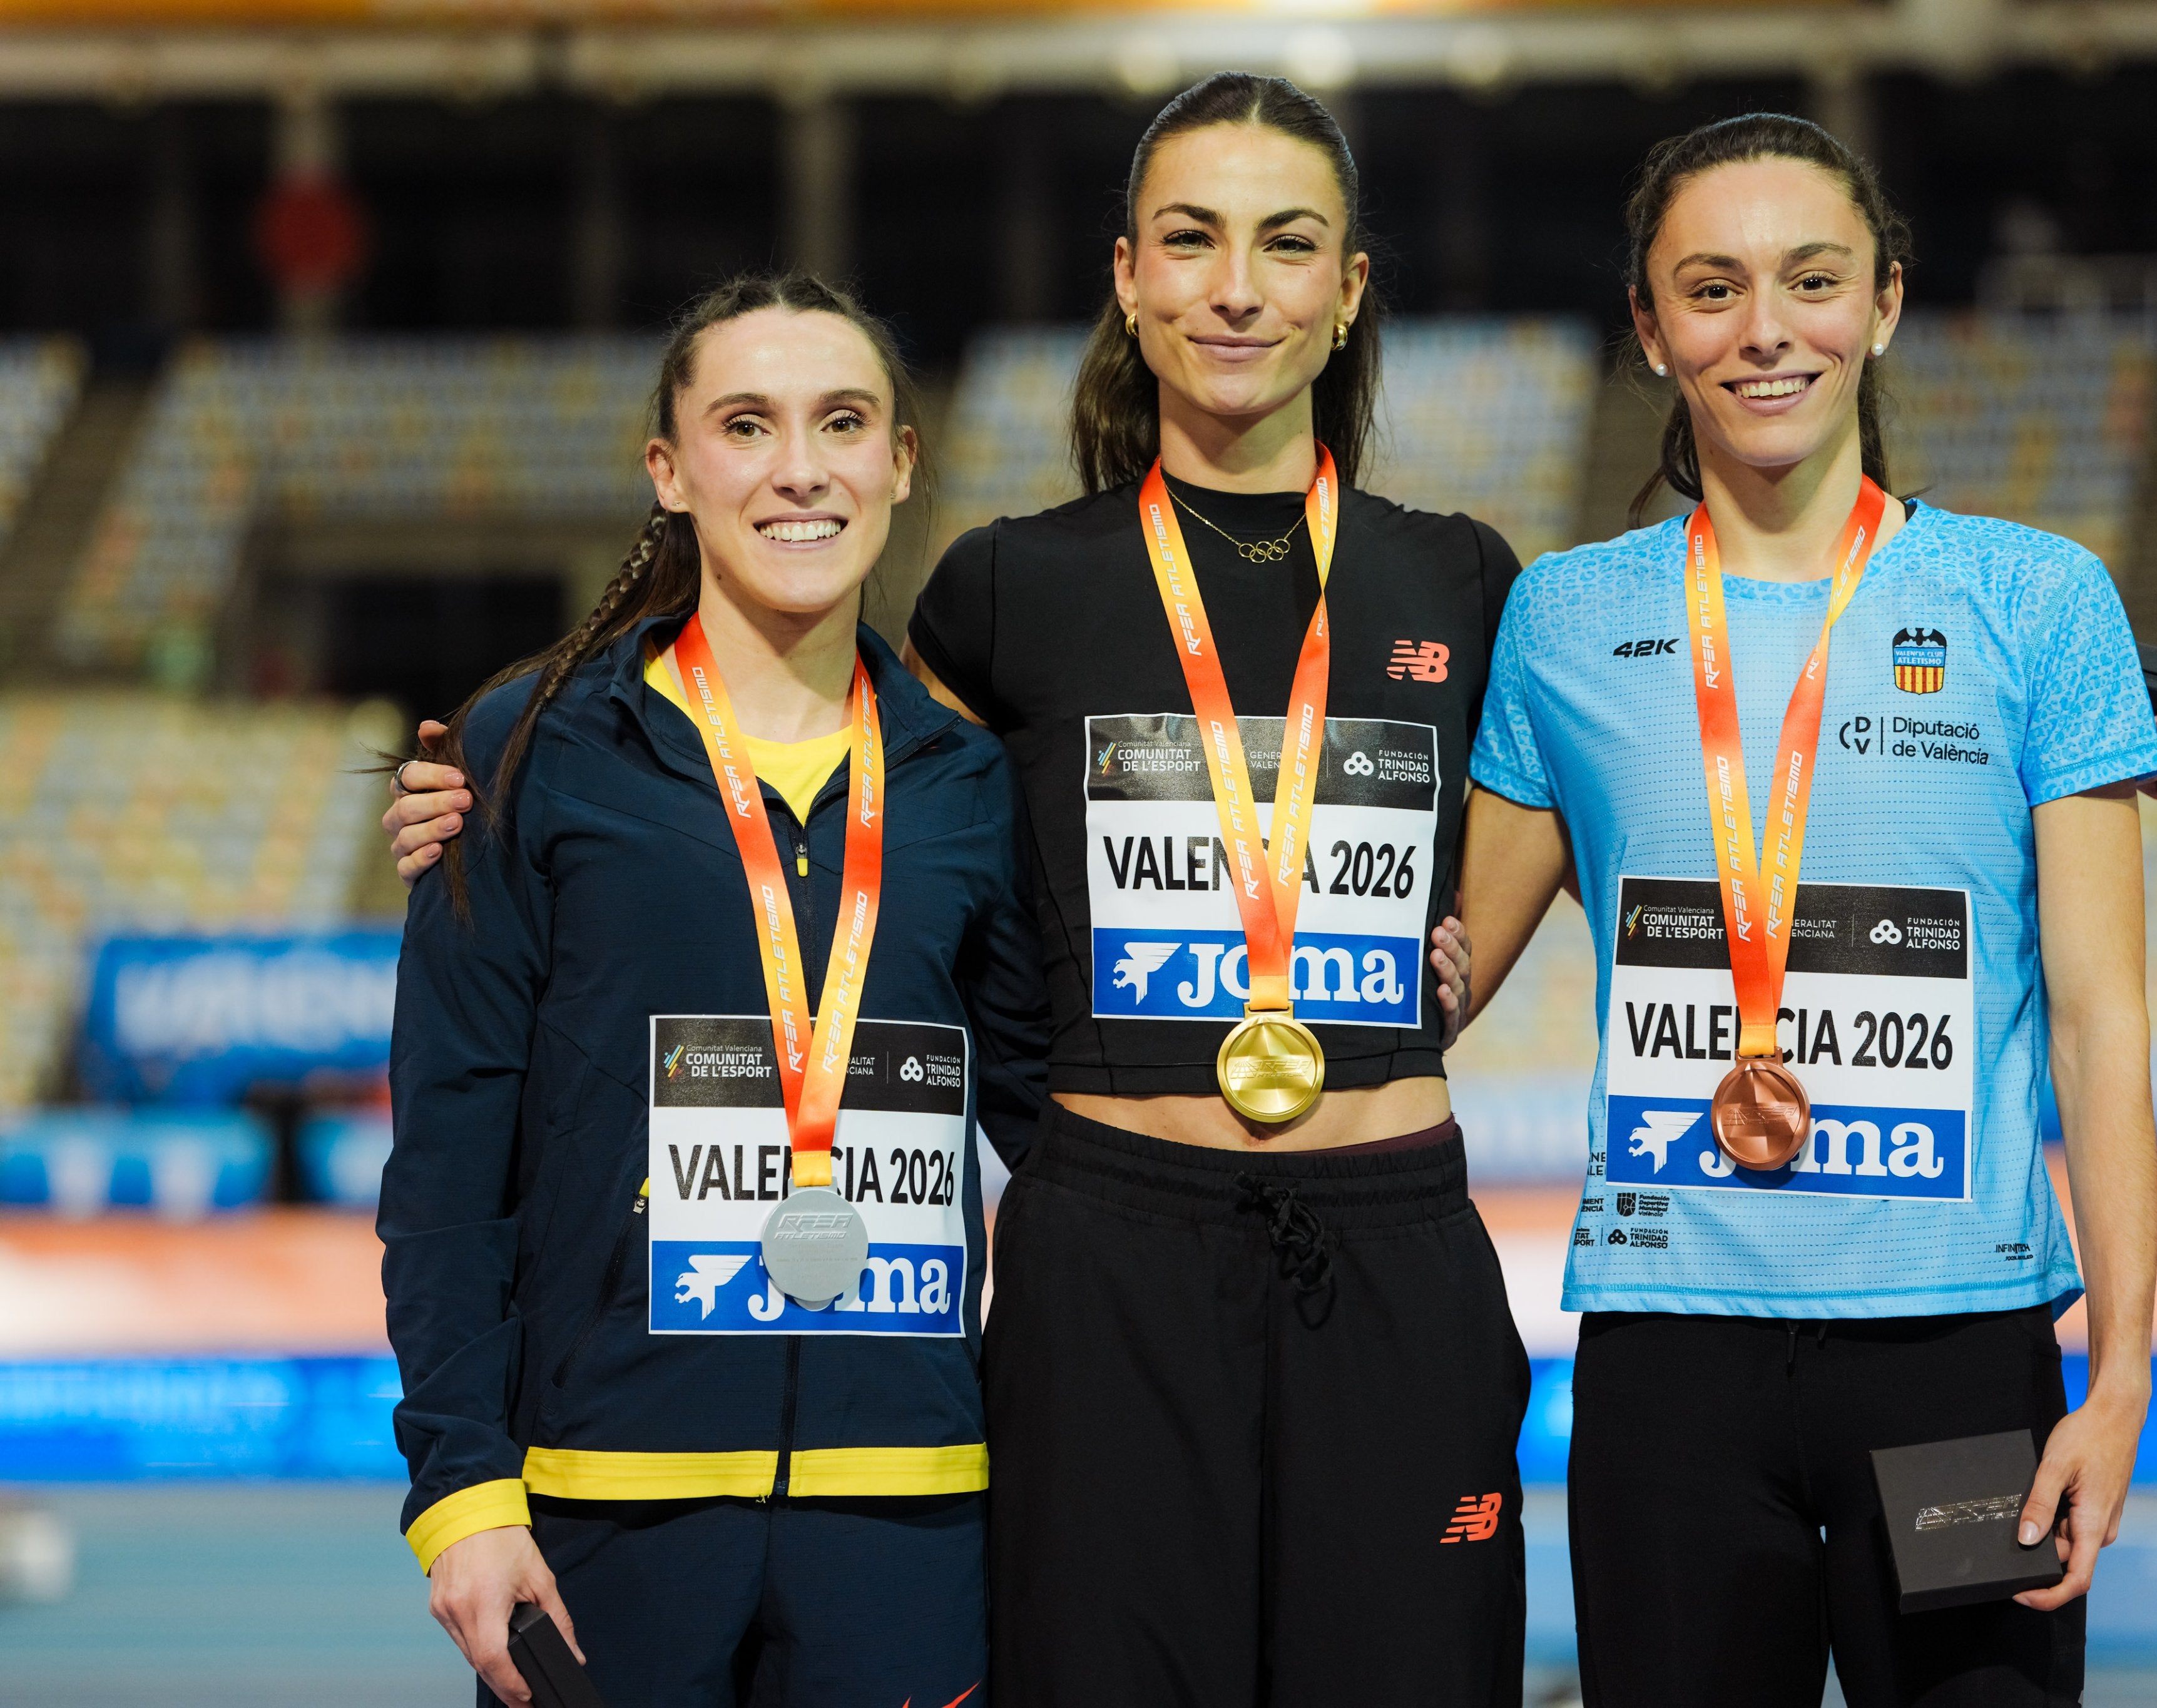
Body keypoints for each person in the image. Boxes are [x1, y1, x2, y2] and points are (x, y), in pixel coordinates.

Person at [388, 75, 1524, 1708]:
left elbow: (1604, 814)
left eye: (1288, 245)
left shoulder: (1453, 587)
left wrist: (1457, 946)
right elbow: (466, 1141)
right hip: (893, 1361)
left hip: (1230, 1325)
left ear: (1351, 291)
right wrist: (463, 1478)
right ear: (1125, 275)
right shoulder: (969, 615)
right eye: (1191, 241)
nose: (1238, 284)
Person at [1457, 114, 2157, 1706]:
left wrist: (2121, 1367)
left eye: (1811, 280)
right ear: (1649, 331)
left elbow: (2097, 1013)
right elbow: (1441, 974)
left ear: (1887, 302)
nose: (1764, 329)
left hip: (1955, 1360)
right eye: (1709, 290)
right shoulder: (1564, 616)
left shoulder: (2034, 598)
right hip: (1667, 1357)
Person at [383, 272, 1046, 1708]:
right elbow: (447, 1163)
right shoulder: (532, 749)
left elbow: (1062, 1119)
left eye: (842, 421)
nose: (799, 467)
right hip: (602, 1507)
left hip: (908, 1514)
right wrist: (465, 1492)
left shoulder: (965, 778)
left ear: (899, 462)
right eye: (745, 426)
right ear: (670, 472)